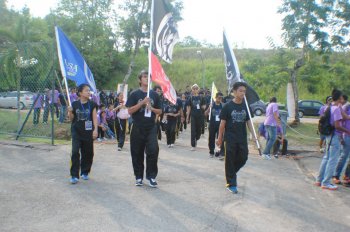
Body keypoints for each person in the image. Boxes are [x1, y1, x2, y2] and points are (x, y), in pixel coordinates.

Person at [216, 82, 254, 194]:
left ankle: (232, 173)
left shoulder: (246, 106)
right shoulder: (227, 106)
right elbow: (222, 124)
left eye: (244, 91)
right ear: (234, 91)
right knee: (230, 160)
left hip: (242, 138)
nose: (243, 93)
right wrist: (219, 138)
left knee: (244, 157)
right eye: (240, 91)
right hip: (230, 138)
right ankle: (231, 184)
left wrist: (253, 136)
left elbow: (249, 122)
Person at [126, 70, 162, 187]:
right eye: (144, 77)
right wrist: (141, 104)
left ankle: (151, 176)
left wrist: (151, 108)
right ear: (140, 80)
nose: (147, 79)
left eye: (148, 77)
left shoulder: (155, 95)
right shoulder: (134, 94)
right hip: (137, 126)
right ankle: (138, 177)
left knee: (153, 150)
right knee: (137, 152)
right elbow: (130, 111)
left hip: (151, 126)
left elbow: (160, 111)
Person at [315, 89, 350, 190]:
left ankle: (319, 180)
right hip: (334, 136)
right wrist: (347, 131)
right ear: (340, 98)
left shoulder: (330, 107)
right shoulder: (336, 109)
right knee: (332, 160)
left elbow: (346, 117)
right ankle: (326, 183)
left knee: (326, 158)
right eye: (342, 97)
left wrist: (341, 108)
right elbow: (338, 126)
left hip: (329, 136)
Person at [67, 84, 98, 184]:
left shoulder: (92, 104)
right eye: (86, 91)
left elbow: (94, 118)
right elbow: (71, 119)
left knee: (88, 153)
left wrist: (95, 130)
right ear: (80, 93)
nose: (89, 92)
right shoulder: (74, 104)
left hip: (88, 132)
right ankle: (74, 175)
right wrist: (70, 112)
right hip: (76, 131)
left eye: (89, 91)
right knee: (75, 152)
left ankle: (85, 171)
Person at [333, 95, 350, 184]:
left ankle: (347, 176)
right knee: (344, 156)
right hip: (347, 135)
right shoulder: (346, 107)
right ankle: (336, 175)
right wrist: (341, 137)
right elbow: (342, 119)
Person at [186, 84, 206, 151]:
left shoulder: (201, 97)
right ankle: (193, 145)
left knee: (199, 131)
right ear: (192, 90)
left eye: (196, 88)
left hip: (200, 116)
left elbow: (204, 106)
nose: (195, 90)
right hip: (193, 115)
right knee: (193, 130)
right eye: (194, 89)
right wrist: (187, 117)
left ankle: (197, 138)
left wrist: (203, 107)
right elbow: (189, 108)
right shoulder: (190, 98)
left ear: (198, 89)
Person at [205, 92, 223, 157]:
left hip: (220, 125)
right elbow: (205, 114)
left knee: (220, 138)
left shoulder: (223, 106)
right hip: (212, 124)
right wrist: (209, 108)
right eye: (219, 98)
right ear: (216, 98)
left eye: (221, 98)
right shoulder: (211, 105)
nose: (220, 99)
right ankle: (211, 152)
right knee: (211, 138)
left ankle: (220, 151)